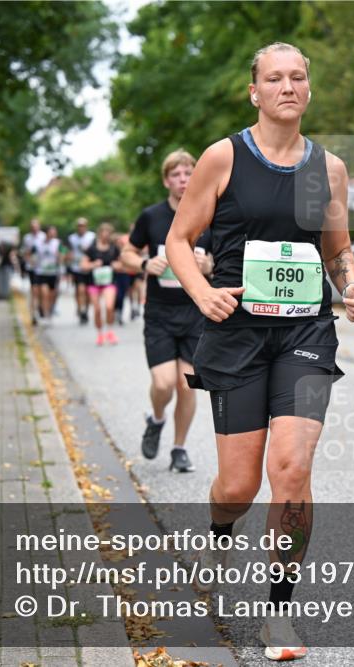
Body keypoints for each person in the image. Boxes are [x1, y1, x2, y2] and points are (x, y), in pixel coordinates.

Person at [164, 42, 354, 661]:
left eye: (297, 77)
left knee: (292, 470)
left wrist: (351, 286)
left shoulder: (329, 169)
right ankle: (220, 531)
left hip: (306, 332)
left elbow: (336, 249)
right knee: (237, 485)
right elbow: (180, 239)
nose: (287, 86)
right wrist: (201, 294)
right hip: (238, 333)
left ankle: (278, 614)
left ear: (309, 88)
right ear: (254, 91)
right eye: (274, 78)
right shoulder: (224, 157)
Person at [121, 149, 212, 473]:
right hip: (159, 313)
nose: (183, 180)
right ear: (166, 180)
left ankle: (179, 448)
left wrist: (208, 264)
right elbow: (127, 255)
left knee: (186, 384)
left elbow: (222, 261)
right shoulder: (152, 217)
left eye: (188, 173)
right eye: (176, 174)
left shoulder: (208, 215)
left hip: (194, 313)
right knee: (163, 384)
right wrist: (146, 263)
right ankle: (156, 419)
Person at [81, 222, 121, 346]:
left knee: (109, 307)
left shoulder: (114, 249)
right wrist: (93, 265)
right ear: (99, 234)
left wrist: (116, 266)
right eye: (104, 233)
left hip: (109, 282)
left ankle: (109, 331)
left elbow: (121, 264)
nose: (106, 236)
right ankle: (100, 334)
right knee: (97, 309)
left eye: (108, 234)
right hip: (94, 283)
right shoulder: (92, 249)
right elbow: (83, 266)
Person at [68, 218, 96, 325]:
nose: (81, 228)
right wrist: (67, 256)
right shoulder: (72, 238)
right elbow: (65, 249)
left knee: (88, 291)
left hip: (89, 267)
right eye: (79, 226)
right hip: (76, 267)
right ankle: (80, 309)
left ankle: (86, 311)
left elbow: (95, 249)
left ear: (86, 226)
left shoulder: (92, 236)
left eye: (83, 226)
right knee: (80, 290)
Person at [33, 226, 62, 323]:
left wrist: (61, 257)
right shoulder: (38, 243)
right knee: (44, 293)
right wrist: (32, 262)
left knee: (52, 295)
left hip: (53, 272)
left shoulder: (57, 243)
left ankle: (49, 311)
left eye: (55, 232)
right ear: (47, 233)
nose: (53, 234)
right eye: (51, 232)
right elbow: (29, 253)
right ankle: (45, 314)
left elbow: (65, 253)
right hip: (41, 272)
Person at [21, 219, 46, 325]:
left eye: (36, 227)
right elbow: (24, 252)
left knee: (42, 291)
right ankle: (33, 314)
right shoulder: (27, 238)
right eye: (32, 227)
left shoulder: (44, 236)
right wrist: (29, 258)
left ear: (39, 227)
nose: (34, 229)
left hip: (43, 267)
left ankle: (40, 307)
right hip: (32, 267)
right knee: (34, 290)